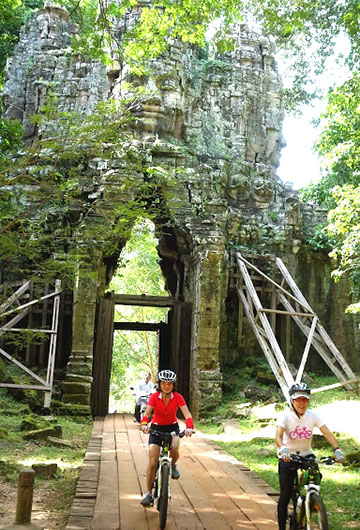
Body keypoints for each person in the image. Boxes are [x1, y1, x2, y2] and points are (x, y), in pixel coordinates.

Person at [275, 382, 345, 530]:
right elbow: (278, 437)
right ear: (292, 401)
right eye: (298, 399)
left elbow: (327, 433)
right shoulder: (285, 417)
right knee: (286, 494)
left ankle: (311, 500)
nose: (302, 403)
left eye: (305, 399)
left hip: (307, 455)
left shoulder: (313, 415)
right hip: (288, 456)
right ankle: (282, 526)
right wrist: (283, 449)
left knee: (315, 478)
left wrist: (337, 449)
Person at [139, 369, 194, 507]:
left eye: (169, 383)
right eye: (164, 383)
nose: (167, 386)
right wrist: (144, 424)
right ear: (160, 384)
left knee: (175, 448)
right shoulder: (154, 397)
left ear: (173, 385)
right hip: (156, 429)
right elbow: (147, 414)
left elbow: (187, 415)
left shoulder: (178, 397)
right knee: (152, 462)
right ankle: (148, 494)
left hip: (172, 428)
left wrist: (189, 427)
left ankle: (173, 465)